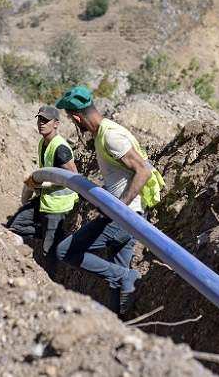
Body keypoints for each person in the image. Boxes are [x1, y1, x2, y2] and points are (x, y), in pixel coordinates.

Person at [53, 85, 164, 316]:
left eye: (72, 121)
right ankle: (121, 325)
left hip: (125, 217)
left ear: (77, 117)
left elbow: (142, 171)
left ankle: (127, 277)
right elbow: (122, 175)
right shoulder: (104, 134)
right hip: (128, 216)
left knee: (66, 251)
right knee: (118, 283)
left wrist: (119, 207)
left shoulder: (111, 136)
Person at [7, 105, 79, 276]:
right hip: (45, 200)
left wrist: (43, 185)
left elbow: (74, 179)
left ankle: (51, 284)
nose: (41, 123)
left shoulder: (60, 149)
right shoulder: (43, 143)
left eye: (46, 121)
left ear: (56, 124)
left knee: (49, 252)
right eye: (39, 119)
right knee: (16, 225)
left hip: (58, 206)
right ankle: (56, 234)